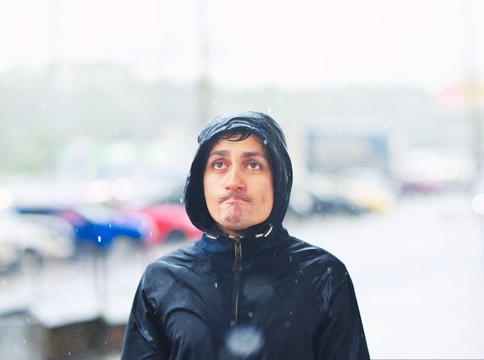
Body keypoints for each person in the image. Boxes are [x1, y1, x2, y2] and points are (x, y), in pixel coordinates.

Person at [121, 111, 369, 359]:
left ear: (277, 179)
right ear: (200, 181)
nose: (234, 181)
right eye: (219, 164)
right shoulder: (163, 280)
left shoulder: (323, 276)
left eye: (253, 165)